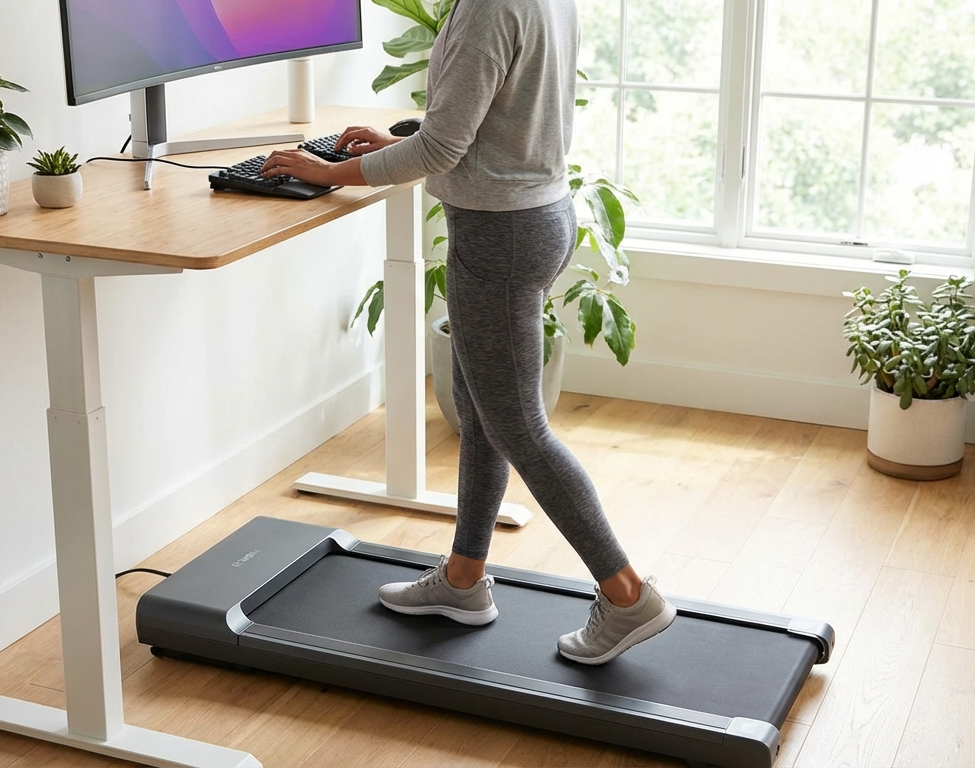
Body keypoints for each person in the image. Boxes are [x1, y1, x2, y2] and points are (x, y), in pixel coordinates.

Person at [259, 0, 674, 665]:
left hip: (500, 235)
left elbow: (446, 147)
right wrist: (399, 144)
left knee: (519, 429)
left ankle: (627, 596)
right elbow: (498, 120)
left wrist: (328, 172)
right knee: (484, 418)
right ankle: (463, 580)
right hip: (534, 216)